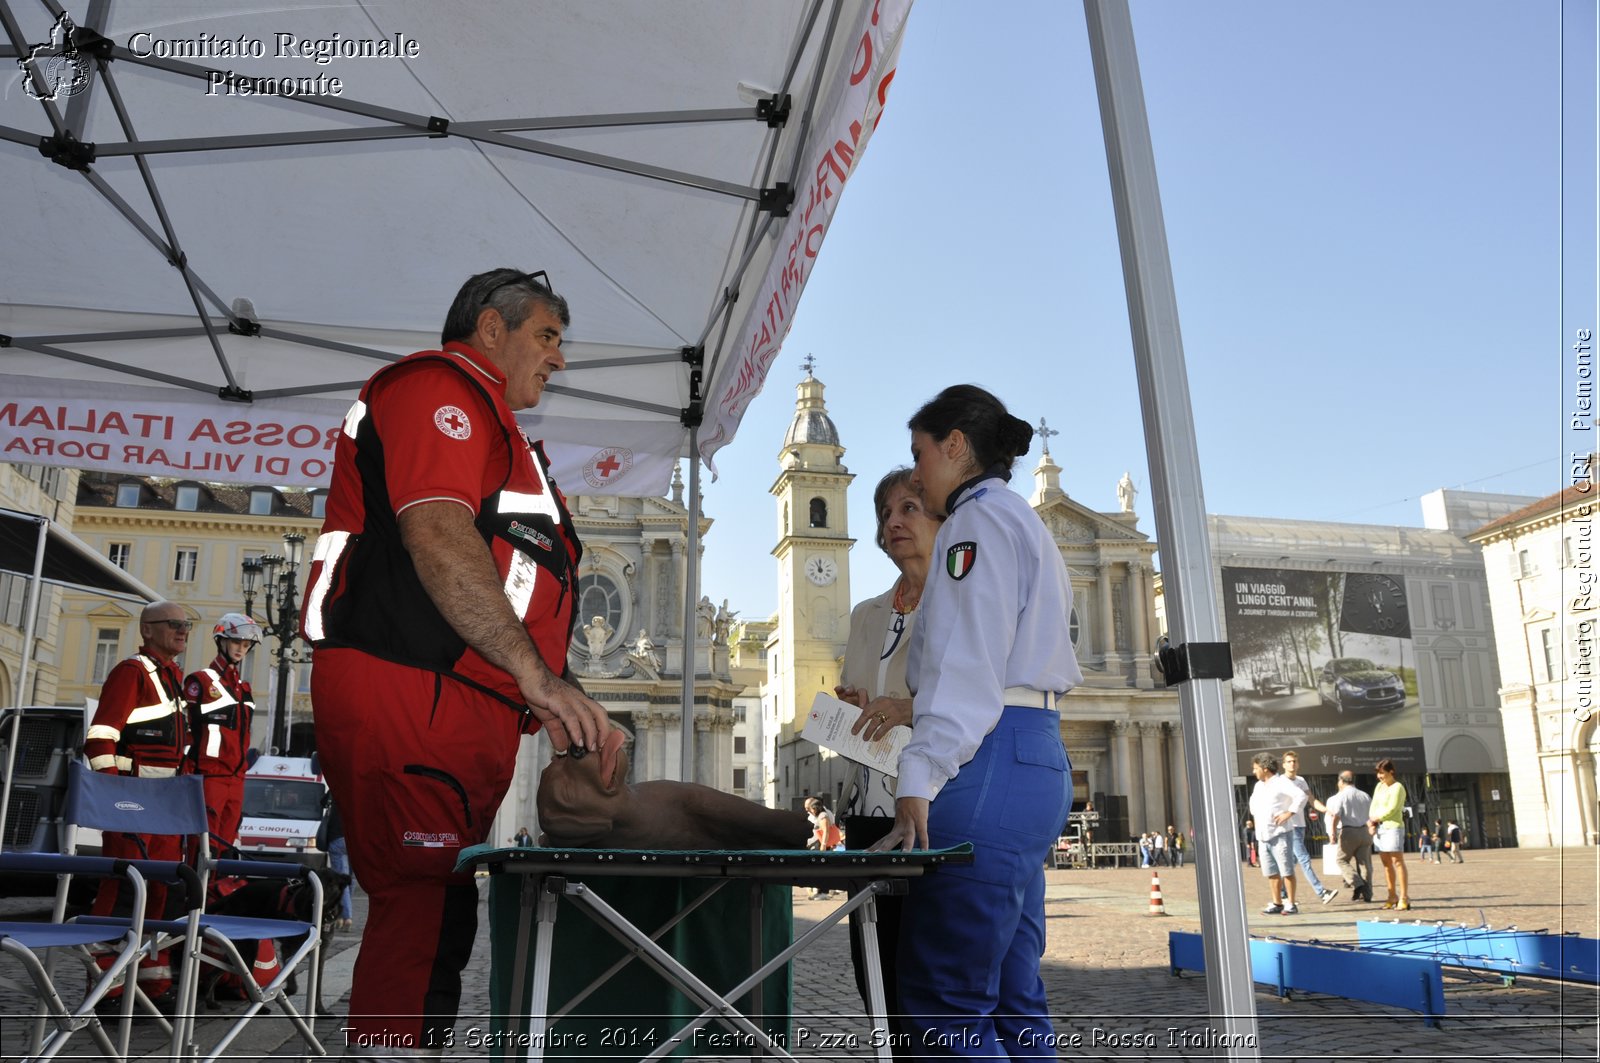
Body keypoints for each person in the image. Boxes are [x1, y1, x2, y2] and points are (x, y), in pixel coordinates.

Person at [304, 268, 611, 1052]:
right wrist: (537, 677)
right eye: (547, 336)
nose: (559, 358)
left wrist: (564, 695)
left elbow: (512, 591)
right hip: (414, 697)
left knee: (440, 918)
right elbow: (438, 533)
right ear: (490, 328)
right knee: (419, 920)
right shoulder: (436, 389)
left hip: (457, 711)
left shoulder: (501, 432)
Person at [871, 385, 1082, 1058]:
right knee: (1015, 995)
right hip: (1036, 751)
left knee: (943, 999)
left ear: (955, 446)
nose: (917, 471)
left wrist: (918, 774)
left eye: (920, 453)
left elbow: (966, 666)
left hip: (988, 758)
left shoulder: (972, 521)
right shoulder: (1023, 521)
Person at [832, 467, 940, 1049]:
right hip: (867, 806)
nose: (894, 521)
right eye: (885, 513)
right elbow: (859, 694)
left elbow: (974, 700)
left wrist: (910, 707)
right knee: (871, 956)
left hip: (931, 803)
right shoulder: (866, 614)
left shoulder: (959, 603)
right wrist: (852, 705)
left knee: (924, 959)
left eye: (909, 508)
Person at [82, 600, 192, 1000]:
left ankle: (151, 987)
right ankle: (106, 991)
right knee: (124, 893)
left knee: (161, 895)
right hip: (133, 805)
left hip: (165, 807)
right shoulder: (132, 672)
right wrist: (113, 797)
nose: (182, 631)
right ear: (147, 630)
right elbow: (100, 739)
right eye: (173, 624)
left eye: (186, 625)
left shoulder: (171, 675)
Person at [183, 612, 261, 860]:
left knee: (227, 849)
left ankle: (217, 896)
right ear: (222, 640)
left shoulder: (244, 688)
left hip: (237, 778)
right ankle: (195, 898)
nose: (241, 649)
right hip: (209, 775)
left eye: (246, 645)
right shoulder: (201, 681)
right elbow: (186, 729)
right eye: (237, 642)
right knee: (204, 846)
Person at [1247, 752, 1308, 915]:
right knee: (1271, 871)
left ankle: (1291, 903)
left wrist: (1289, 813)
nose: (1254, 772)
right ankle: (1277, 902)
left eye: (1256, 768)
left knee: (1286, 869)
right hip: (1263, 834)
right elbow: (1253, 804)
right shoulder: (1258, 786)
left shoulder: (1281, 783)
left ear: (1265, 769)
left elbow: (1301, 796)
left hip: (1280, 833)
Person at [1280, 750, 1338, 903]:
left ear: (1298, 764)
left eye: (1294, 761)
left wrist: (1326, 810)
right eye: (1289, 761)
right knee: (1304, 859)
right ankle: (1321, 892)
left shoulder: (1301, 780)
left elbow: (1311, 799)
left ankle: (1282, 894)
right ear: (1283, 764)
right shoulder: (1280, 781)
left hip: (1300, 825)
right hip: (1289, 826)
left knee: (1291, 862)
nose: (1292, 764)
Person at [1367, 759, 1411, 910]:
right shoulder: (1379, 786)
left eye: (1382, 773)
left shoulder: (1398, 787)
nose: (1380, 776)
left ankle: (1404, 897)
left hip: (1393, 828)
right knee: (1386, 864)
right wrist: (1372, 821)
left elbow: (1393, 808)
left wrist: (1377, 818)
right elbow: (1374, 805)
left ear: (1391, 772)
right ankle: (1392, 896)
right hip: (1379, 828)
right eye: (1378, 773)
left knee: (1397, 861)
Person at [1324, 771, 1374, 902]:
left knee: (1341, 860)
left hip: (1349, 832)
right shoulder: (1365, 795)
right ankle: (1367, 893)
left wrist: (1333, 832)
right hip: (1365, 831)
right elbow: (1372, 814)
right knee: (1365, 864)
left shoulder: (1342, 796)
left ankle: (1357, 884)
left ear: (1341, 781)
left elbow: (1336, 816)